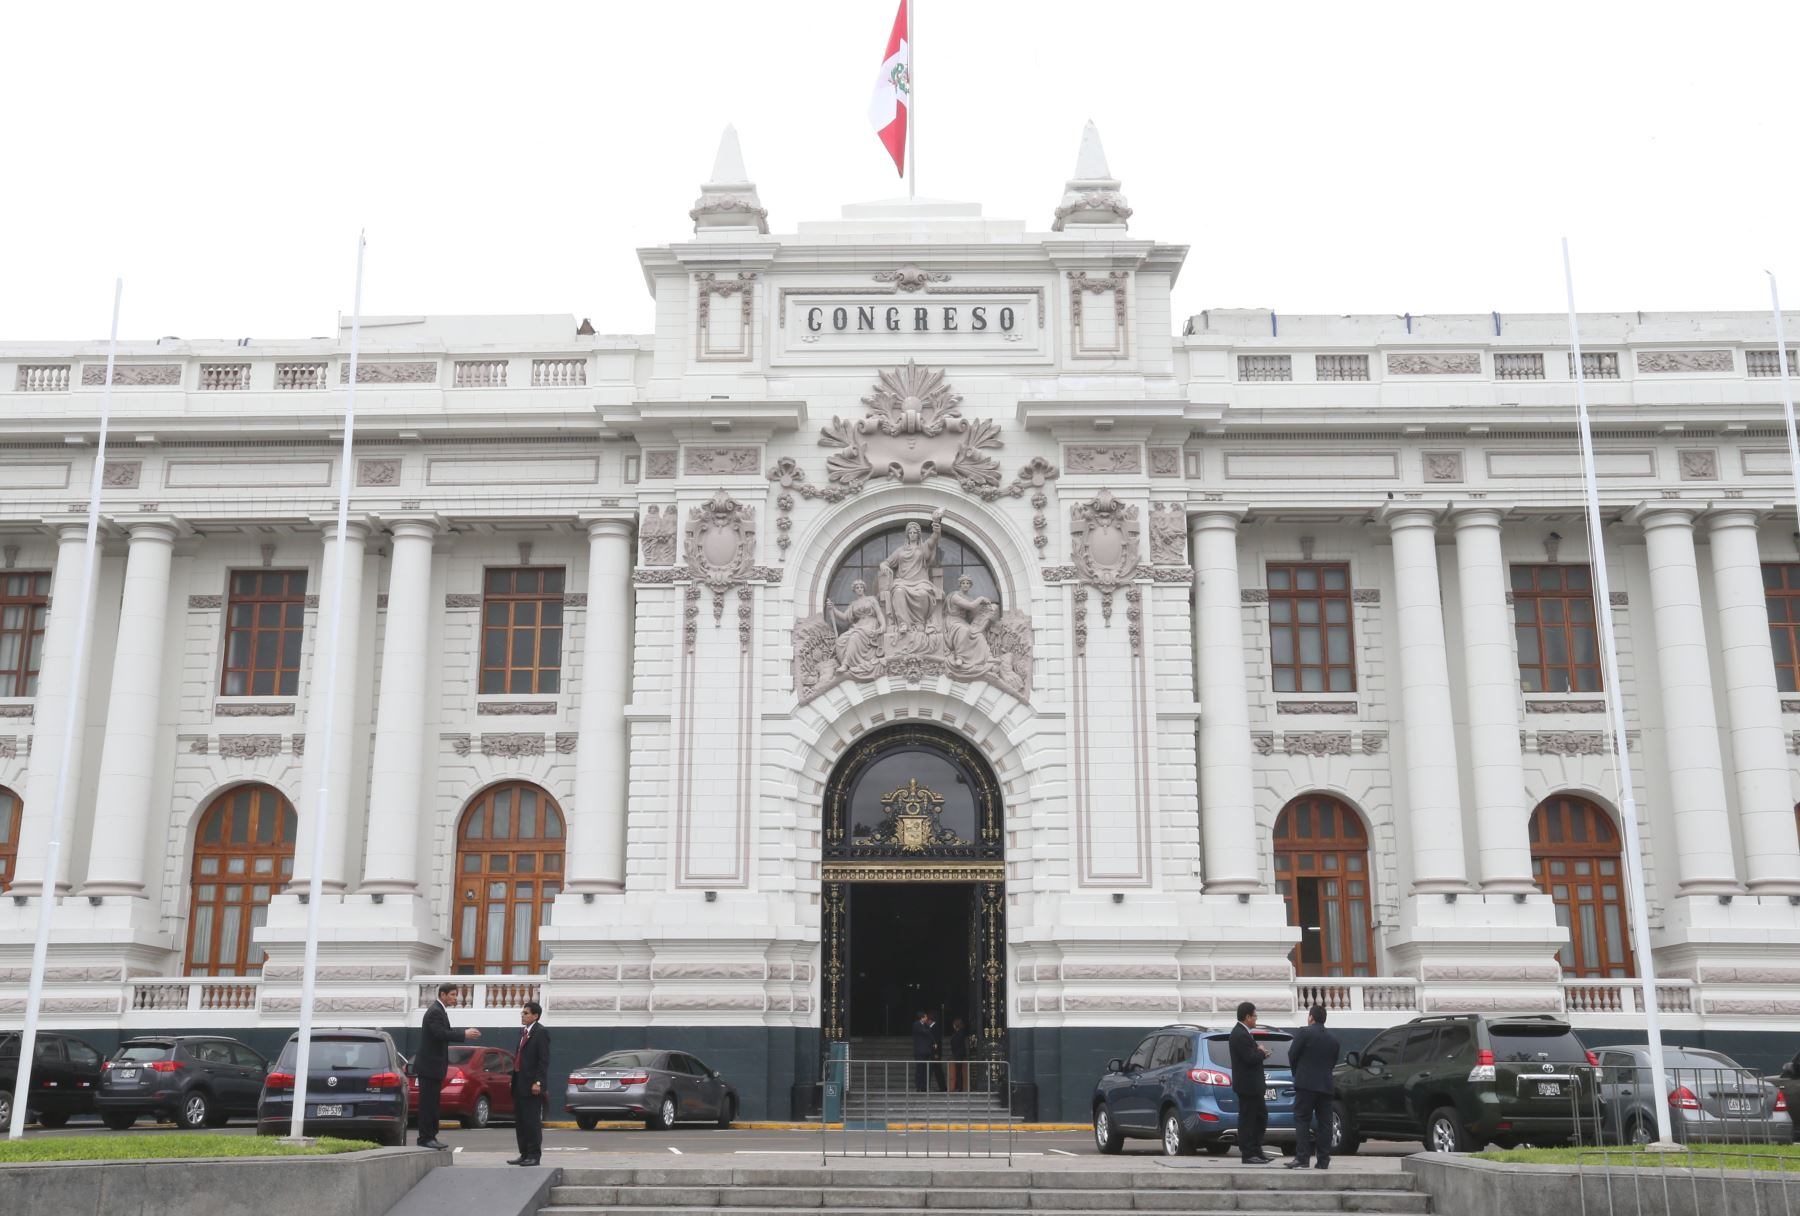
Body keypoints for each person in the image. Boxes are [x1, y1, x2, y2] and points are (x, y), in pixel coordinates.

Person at [415, 981, 480, 1149]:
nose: (454, 998)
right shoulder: (435, 1011)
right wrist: (464, 1034)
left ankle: (430, 1136)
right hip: (430, 1067)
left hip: (434, 1067)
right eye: (451, 995)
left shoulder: (439, 1010)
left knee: (433, 1103)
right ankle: (425, 1138)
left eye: (455, 995)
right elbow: (440, 1034)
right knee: (428, 1104)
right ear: (442, 995)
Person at [1285, 1003, 1340, 1170]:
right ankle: (1323, 1160)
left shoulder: (1304, 1032)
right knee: (1325, 1123)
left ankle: (1302, 1158)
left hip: (1306, 1085)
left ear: (1311, 1017)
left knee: (1302, 1119)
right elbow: (1333, 1062)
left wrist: (1298, 1074)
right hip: (1326, 1085)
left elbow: (1292, 1055)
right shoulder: (1333, 1039)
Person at [1229, 1000, 1272, 1164]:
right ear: (1247, 1017)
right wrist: (1260, 1052)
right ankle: (1247, 1153)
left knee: (1260, 1116)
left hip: (1254, 1085)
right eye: (1254, 1016)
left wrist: (1260, 1053)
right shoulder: (1239, 1034)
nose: (1256, 1019)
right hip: (1247, 1086)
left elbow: (1251, 1055)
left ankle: (1257, 1149)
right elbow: (1249, 1058)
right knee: (1248, 1119)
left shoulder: (1244, 1033)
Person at [507, 1001, 550, 1167]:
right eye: (522, 1013)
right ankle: (524, 1153)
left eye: (526, 1013)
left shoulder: (541, 1032)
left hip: (532, 1085)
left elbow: (543, 1060)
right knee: (521, 1121)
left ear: (535, 1016)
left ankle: (534, 1155)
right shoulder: (523, 1032)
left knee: (532, 1121)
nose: (522, 1015)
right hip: (519, 1083)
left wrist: (538, 1082)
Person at [911, 1010, 937, 1092]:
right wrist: (930, 1027)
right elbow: (925, 1032)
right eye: (925, 1016)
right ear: (922, 1017)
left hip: (926, 1051)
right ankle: (919, 1086)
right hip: (919, 1051)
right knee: (920, 1069)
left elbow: (930, 1035)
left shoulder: (926, 1025)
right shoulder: (916, 1025)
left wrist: (934, 1042)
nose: (927, 1018)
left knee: (926, 1070)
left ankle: (924, 1086)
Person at [946, 1016, 971, 1093]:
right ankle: (958, 1086)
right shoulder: (959, 1033)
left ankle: (959, 1087)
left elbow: (956, 1044)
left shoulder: (959, 1034)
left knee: (959, 1071)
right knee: (958, 1071)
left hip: (958, 1054)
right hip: (958, 1053)